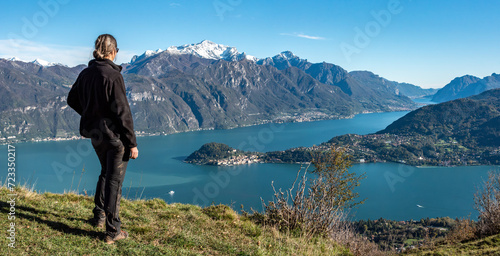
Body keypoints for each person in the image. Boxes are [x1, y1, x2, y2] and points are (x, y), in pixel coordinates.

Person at [67, 34, 139, 244]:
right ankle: (112, 231)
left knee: (105, 174)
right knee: (114, 181)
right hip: (116, 138)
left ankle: (98, 216)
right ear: (113, 51)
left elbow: (71, 99)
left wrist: (89, 116)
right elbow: (122, 112)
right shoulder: (113, 76)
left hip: (96, 135)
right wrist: (132, 143)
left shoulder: (86, 73)